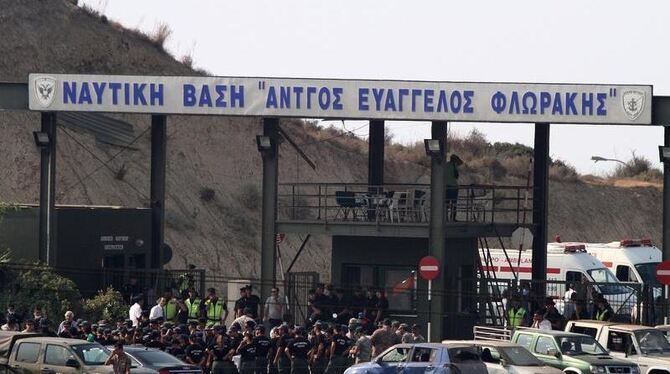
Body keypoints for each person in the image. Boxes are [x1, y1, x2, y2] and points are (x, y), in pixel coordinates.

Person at [445, 154, 463, 222]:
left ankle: (445, 218)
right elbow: (456, 176)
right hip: (453, 187)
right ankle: (453, 218)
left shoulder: (445, 165)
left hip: (446, 187)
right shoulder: (454, 165)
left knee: (446, 203)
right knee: (454, 203)